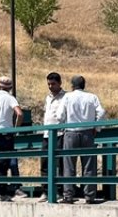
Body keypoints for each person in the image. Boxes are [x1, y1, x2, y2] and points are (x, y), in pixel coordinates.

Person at [55, 75, 107, 204]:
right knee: (89, 165)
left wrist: (63, 124)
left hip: (71, 133)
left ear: (72, 85)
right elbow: (101, 112)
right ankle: (90, 196)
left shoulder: (67, 97)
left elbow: (60, 115)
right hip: (87, 133)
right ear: (84, 85)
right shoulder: (92, 97)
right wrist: (97, 127)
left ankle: (68, 195)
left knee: (69, 166)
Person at [40, 71, 66, 199]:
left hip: (60, 133)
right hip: (46, 134)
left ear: (60, 83)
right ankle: (46, 191)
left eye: (53, 84)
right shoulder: (48, 97)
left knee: (60, 163)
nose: (51, 86)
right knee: (45, 163)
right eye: (49, 84)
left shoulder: (65, 97)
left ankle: (60, 191)